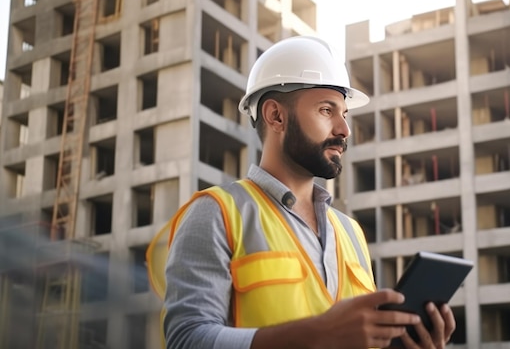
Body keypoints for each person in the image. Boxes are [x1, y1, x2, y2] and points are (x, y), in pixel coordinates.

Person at [161, 36, 456, 349]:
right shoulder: (216, 213)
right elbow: (186, 339)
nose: (344, 130)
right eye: (327, 110)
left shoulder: (350, 232)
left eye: (345, 114)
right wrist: (316, 335)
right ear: (276, 116)